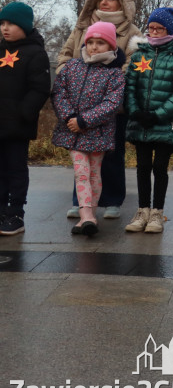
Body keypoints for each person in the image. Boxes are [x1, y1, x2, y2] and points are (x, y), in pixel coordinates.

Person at [58, 0, 142, 220]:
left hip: (110, 103)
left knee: (111, 153)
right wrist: (71, 76)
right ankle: (81, 201)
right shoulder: (82, 26)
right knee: (81, 156)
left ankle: (113, 199)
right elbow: (65, 54)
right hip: (78, 101)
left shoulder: (132, 31)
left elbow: (131, 65)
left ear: (122, 3)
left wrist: (105, 82)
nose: (104, 2)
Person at [124, 7, 173, 234]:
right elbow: (130, 85)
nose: (154, 32)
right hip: (141, 121)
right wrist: (135, 111)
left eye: (159, 28)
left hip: (166, 123)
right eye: (151, 27)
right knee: (143, 166)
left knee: (160, 167)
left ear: (169, 29)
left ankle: (157, 212)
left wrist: (157, 115)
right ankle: (142, 210)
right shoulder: (139, 54)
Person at [51, 22, 126, 236]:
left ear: (111, 46)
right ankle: (86, 215)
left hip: (97, 133)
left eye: (100, 42)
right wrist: (70, 118)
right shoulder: (72, 67)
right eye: (91, 42)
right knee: (81, 173)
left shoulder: (114, 74)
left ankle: (90, 216)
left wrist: (85, 120)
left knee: (94, 174)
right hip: (73, 131)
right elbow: (59, 93)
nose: (94, 47)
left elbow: (112, 103)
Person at [0, 2, 51, 236]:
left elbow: (40, 89)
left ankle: (15, 213)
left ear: (24, 25)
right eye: (2, 23)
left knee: (16, 169)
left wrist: (23, 113)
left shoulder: (35, 53)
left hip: (18, 126)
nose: (5, 28)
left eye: (10, 23)